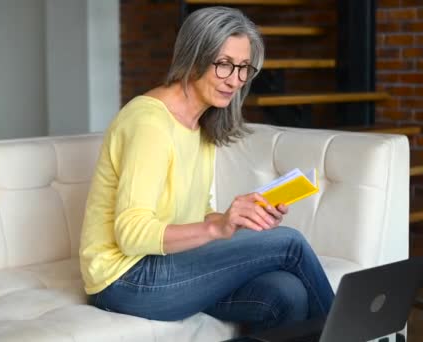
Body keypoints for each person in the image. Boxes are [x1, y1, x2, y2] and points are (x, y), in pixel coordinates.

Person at [79, 6, 334, 333]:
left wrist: (236, 218)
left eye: (243, 68)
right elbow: (130, 234)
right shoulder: (150, 124)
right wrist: (217, 230)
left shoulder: (200, 123)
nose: (235, 80)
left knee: (288, 295)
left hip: (169, 263)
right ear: (194, 57)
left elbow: (194, 215)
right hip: (124, 280)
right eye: (224, 64)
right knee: (289, 243)